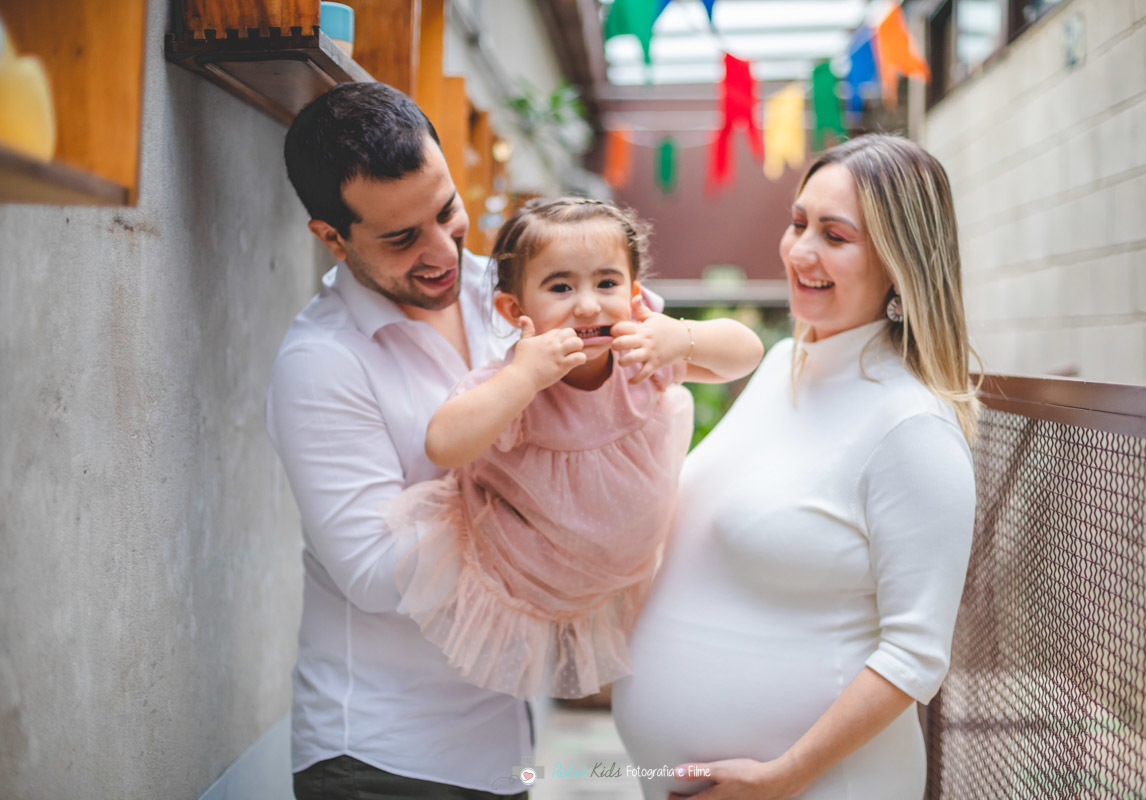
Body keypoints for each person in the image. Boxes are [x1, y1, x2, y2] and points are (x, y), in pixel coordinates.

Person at [611, 133, 980, 800]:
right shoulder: (786, 365)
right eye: (799, 223)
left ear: (900, 263)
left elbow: (915, 654)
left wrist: (783, 777)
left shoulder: (911, 428)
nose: (800, 251)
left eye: (835, 236)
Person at [385, 198, 764, 701]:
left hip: (625, 571)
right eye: (561, 286)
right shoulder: (514, 384)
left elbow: (746, 354)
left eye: (606, 283)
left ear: (633, 295)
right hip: (527, 571)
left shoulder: (639, 357)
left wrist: (685, 337)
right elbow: (445, 445)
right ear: (515, 310)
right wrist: (522, 378)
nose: (587, 304)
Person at [267, 82, 529, 799]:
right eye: (402, 238)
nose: (442, 251)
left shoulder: (503, 292)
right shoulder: (322, 362)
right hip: (380, 762)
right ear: (332, 236)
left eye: (446, 211)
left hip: (505, 744)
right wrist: (527, 476)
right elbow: (377, 574)